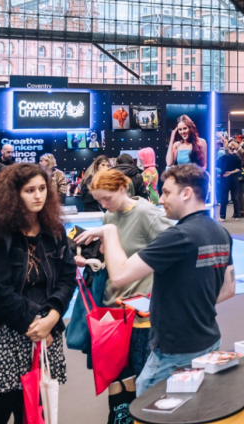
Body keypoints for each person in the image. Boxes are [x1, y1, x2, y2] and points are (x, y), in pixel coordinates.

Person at [74, 164, 235, 394]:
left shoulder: (177, 236)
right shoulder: (221, 232)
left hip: (175, 347)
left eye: (167, 192)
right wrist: (193, 308)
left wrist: (109, 232)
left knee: (149, 410)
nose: (160, 200)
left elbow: (119, 276)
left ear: (187, 193)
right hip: (208, 337)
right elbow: (228, 289)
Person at [0, 163, 77, 424]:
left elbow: (67, 277)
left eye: (42, 188)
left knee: (34, 420)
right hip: (5, 337)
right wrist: (37, 323)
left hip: (45, 336)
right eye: (30, 190)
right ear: (14, 194)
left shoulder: (55, 231)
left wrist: (52, 318)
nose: (38, 195)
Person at [86, 169, 172, 424]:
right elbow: (113, 258)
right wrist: (93, 262)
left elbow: (173, 247)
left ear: (123, 189)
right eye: (99, 200)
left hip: (141, 314)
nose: (104, 204)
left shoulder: (147, 213)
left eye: (107, 198)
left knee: (143, 378)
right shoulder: (109, 215)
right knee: (116, 378)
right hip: (112, 311)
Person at [215, 140, 244, 220]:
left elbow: (217, 164)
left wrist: (225, 172)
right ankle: (236, 215)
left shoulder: (224, 157)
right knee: (235, 196)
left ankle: (222, 216)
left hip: (225, 178)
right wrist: (232, 172)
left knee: (224, 197)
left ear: (228, 147)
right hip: (234, 178)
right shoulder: (237, 157)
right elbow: (239, 169)